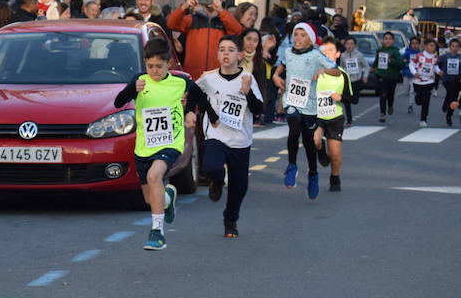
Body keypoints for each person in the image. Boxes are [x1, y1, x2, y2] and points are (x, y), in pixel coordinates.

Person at [113, 39, 209, 249]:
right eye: (150, 66)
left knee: (154, 176)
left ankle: (157, 232)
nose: (154, 71)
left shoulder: (180, 82)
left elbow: (200, 97)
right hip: (144, 146)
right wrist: (132, 89)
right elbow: (118, 102)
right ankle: (167, 197)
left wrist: (190, 111)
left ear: (169, 64)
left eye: (159, 66)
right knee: (151, 199)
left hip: (170, 141)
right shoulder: (140, 81)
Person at [197, 35, 260, 237]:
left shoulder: (247, 78)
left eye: (231, 50)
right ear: (217, 54)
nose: (226, 53)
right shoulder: (208, 78)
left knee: (239, 186)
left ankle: (230, 220)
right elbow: (193, 93)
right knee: (211, 167)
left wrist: (247, 92)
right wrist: (188, 109)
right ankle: (216, 180)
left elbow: (258, 110)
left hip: (240, 139)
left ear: (239, 55)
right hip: (216, 134)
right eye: (222, 49)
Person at [272, 22, 337, 198]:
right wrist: (276, 76)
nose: (298, 38)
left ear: (310, 39)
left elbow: (336, 70)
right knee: (294, 129)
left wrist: (324, 70)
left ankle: (313, 174)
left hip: (310, 104)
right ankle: (292, 166)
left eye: (303, 35)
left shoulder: (316, 55)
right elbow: (281, 66)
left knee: (309, 142)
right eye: (296, 34)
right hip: (292, 100)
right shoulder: (288, 52)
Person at [166, 0, 243, 80]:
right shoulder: (192, 19)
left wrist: (221, 10)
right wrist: (184, 6)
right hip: (194, 75)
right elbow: (171, 24)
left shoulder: (224, 20)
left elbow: (237, 30)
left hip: (218, 76)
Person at [310, 37, 348, 192]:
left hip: (335, 116)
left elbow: (353, 98)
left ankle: (335, 177)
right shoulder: (314, 72)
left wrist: (341, 97)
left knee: (335, 153)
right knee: (315, 140)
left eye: (330, 50)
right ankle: (320, 151)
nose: (326, 53)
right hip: (317, 115)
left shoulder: (342, 74)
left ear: (337, 54)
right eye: (323, 50)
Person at [373, 30, 405, 123]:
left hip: (392, 76)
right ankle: (382, 113)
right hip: (381, 74)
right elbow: (376, 61)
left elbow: (401, 64)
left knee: (390, 94)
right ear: (383, 40)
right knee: (383, 94)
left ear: (393, 41)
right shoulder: (380, 50)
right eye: (386, 39)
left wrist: (391, 60)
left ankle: (390, 105)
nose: (387, 41)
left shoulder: (395, 51)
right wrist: (373, 67)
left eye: (390, 39)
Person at [410, 38, 439, 126]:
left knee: (426, 101)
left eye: (434, 46)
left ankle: (423, 119)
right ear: (425, 47)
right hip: (418, 81)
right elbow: (411, 64)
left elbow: (435, 67)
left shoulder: (435, 58)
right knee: (419, 101)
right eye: (431, 46)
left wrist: (439, 72)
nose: (433, 48)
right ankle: (417, 98)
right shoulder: (419, 56)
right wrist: (415, 73)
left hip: (429, 81)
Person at [339, 34, 366, 126]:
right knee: (346, 101)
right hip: (347, 81)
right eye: (347, 44)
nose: (349, 46)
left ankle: (353, 99)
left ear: (355, 45)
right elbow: (341, 67)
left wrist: (365, 76)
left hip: (356, 80)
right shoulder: (343, 56)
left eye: (351, 44)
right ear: (345, 45)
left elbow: (366, 66)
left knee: (354, 100)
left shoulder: (359, 55)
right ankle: (349, 120)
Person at [439, 38, 461, 127]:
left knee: (453, 96)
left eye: (456, 46)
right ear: (449, 46)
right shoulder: (445, 56)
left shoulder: (460, 57)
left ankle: (448, 112)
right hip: (447, 80)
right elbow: (436, 63)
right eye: (453, 46)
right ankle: (448, 114)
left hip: (457, 80)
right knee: (452, 96)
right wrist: (439, 71)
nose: (454, 48)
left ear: (459, 47)